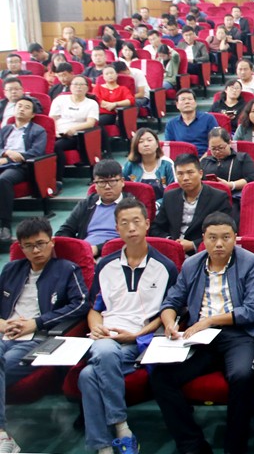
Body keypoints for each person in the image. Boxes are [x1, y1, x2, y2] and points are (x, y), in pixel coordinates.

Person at [150, 212, 254, 454]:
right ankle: (192, 444)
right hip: (199, 338)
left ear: (235, 238)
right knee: (161, 378)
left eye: (226, 237)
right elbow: (172, 301)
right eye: (213, 238)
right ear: (203, 238)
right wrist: (170, 323)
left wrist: (211, 320)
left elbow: (253, 309)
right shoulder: (192, 264)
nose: (219, 244)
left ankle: (235, 447)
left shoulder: (250, 262)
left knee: (243, 376)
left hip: (237, 334)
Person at [81, 198, 178, 454]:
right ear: (116, 228)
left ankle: (109, 439)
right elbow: (95, 308)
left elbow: (169, 312)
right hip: (106, 338)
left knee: (88, 375)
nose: (131, 228)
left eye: (136, 221)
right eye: (124, 223)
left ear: (147, 224)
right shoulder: (105, 265)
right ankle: (116, 433)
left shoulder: (165, 267)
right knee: (102, 353)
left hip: (140, 341)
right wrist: (97, 327)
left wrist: (137, 334)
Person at [0, 217, 89, 453]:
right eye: (29, 246)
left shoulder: (66, 269)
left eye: (40, 243)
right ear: (21, 247)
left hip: (38, 338)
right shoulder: (10, 270)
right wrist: (3, 324)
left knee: (3, 365)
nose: (36, 250)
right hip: (4, 334)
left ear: (52, 242)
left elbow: (81, 304)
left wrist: (36, 323)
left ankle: (2, 435)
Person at [150, 154, 231, 255]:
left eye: (190, 173)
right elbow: (156, 228)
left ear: (200, 173)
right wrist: (170, 241)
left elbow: (225, 231)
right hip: (172, 251)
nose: (185, 178)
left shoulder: (218, 198)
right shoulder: (170, 196)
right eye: (180, 174)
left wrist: (193, 245)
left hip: (204, 252)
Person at [56, 159, 130, 258]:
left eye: (112, 181)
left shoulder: (131, 205)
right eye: (102, 182)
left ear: (122, 181)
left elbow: (131, 237)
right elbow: (65, 230)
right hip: (84, 252)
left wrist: (97, 249)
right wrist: (76, 248)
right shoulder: (87, 204)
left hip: (115, 254)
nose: (107, 187)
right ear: (95, 185)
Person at [0, 99, 47, 241]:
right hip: (3, 161)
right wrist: (6, 153)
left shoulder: (38, 130)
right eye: (19, 106)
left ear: (32, 114)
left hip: (22, 166)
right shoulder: (6, 129)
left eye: (26, 107)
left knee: (3, 180)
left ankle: (4, 225)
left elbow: (36, 152)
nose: (21, 109)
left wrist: (9, 159)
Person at [50, 76, 98, 183]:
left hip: (77, 136)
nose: (78, 87)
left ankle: (58, 179)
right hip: (57, 133)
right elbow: (52, 119)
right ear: (70, 87)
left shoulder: (91, 103)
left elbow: (90, 123)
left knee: (57, 146)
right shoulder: (60, 99)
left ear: (87, 88)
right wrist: (55, 131)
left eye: (81, 84)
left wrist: (73, 129)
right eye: (75, 84)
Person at [122, 127, 175, 201]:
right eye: (141, 141)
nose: (146, 144)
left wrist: (158, 204)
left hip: (162, 205)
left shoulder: (167, 164)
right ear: (135, 146)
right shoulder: (129, 165)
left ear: (157, 144)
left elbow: (173, 191)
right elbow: (122, 188)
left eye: (149, 140)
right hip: (135, 205)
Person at [164, 89, 218, 155]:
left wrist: (204, 158)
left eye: (190, 99)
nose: (187, 102)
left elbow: (216, 142)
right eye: (183, 99)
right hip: (181, 158)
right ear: (177, 105)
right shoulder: (171, 124)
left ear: (195, 103)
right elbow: (170, 147)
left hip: (204, 156)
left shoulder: (208, 119)